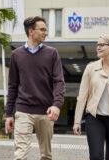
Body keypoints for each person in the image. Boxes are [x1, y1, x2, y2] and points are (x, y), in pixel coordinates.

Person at [5, 16, 65, 160]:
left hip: (46, 112)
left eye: (46, 30)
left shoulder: (52, 53)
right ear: (31, 31)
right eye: (42, 29)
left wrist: (57, 105)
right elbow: (13, 86)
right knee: (20, 155)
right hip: (23, 111)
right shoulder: (16, 55)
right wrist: (8, 115)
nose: (46, 32)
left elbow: (59, 81)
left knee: (46, 155)